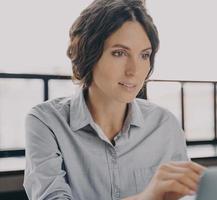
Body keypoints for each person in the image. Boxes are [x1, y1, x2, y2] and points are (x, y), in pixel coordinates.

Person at [23, 0, 205, 199]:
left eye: (144, 55)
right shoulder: (46, 121)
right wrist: (147, 197)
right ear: (88, 54)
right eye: (119, 53)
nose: (134, 71)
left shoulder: (164, 124)